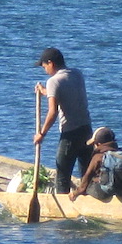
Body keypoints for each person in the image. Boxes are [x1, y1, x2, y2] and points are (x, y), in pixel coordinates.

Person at [33, 48, 93, 194]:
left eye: (44, 67)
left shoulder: (53, 81)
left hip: (70, 136)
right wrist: (44, 91)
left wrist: (42, 134)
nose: (45, 70)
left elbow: (53, 112)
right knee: (87, 176)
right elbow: (64, 93)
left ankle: (63, 212)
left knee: (62, 176)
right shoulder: (77, 74)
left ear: (51, 63)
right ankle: (88, 201)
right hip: (87, 131)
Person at [71, 127, 122, 198]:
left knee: (89, 186)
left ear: (98, 144)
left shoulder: (98, 156)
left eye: (94, 143)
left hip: (106, 192)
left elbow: (87, 177)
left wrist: (75, 193)